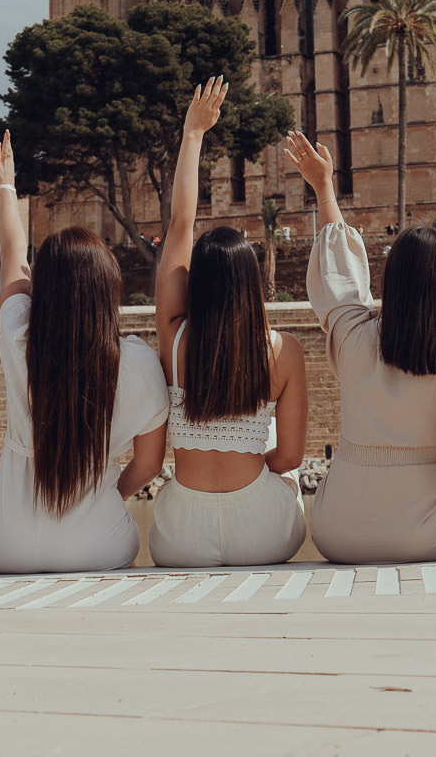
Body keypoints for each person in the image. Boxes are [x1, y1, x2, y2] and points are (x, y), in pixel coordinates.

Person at [287, 132, 436, 564]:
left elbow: (340, 272)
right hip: (425, 538)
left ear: (390, 279)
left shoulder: (352, 335)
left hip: (336, 535)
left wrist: (324, 187)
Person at [0, 134, 169, 574]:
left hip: (4, 544)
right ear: (109, 287)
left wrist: (6, 187)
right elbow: (149, 464)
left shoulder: (19, 334)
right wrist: (107, 498)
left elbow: (12, 256)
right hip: (95, 545)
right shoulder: (139, 363)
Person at [147, 79, 310, 567]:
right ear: (250, 282)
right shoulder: (283, 350)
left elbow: (180, 225)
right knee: (279, 460)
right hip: (263, 535)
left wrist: (193, 135)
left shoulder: (174, 336)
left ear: (197, 283)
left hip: (181, 538)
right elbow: (290, 458)